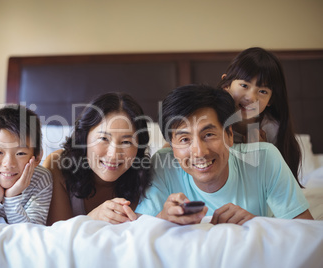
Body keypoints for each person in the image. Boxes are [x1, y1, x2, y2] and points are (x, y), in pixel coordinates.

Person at [135, 84, 313, 225]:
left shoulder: (265, 159)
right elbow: (138, 231)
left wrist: (257, 223)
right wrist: (162, 219)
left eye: (209, 135)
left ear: (229, 135)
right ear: (171, 145)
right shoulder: (163, 164)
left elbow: (306, 231)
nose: (200, 152)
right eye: (184, 139)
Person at [43, 92, 151, 225]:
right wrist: (92, 218)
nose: (113, 154)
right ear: (84, 137)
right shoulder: (58, 166)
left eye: (126, 142)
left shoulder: (145, 175)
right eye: (104, 139)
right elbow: (56, 239)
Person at [217, 47, 302, 187]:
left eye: (262, 91)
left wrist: (262, 151)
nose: (251, 97)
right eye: (244, 85)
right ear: (226, 85)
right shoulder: (212, 121)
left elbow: (278, 185)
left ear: (271, 100)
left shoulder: (272, 130)